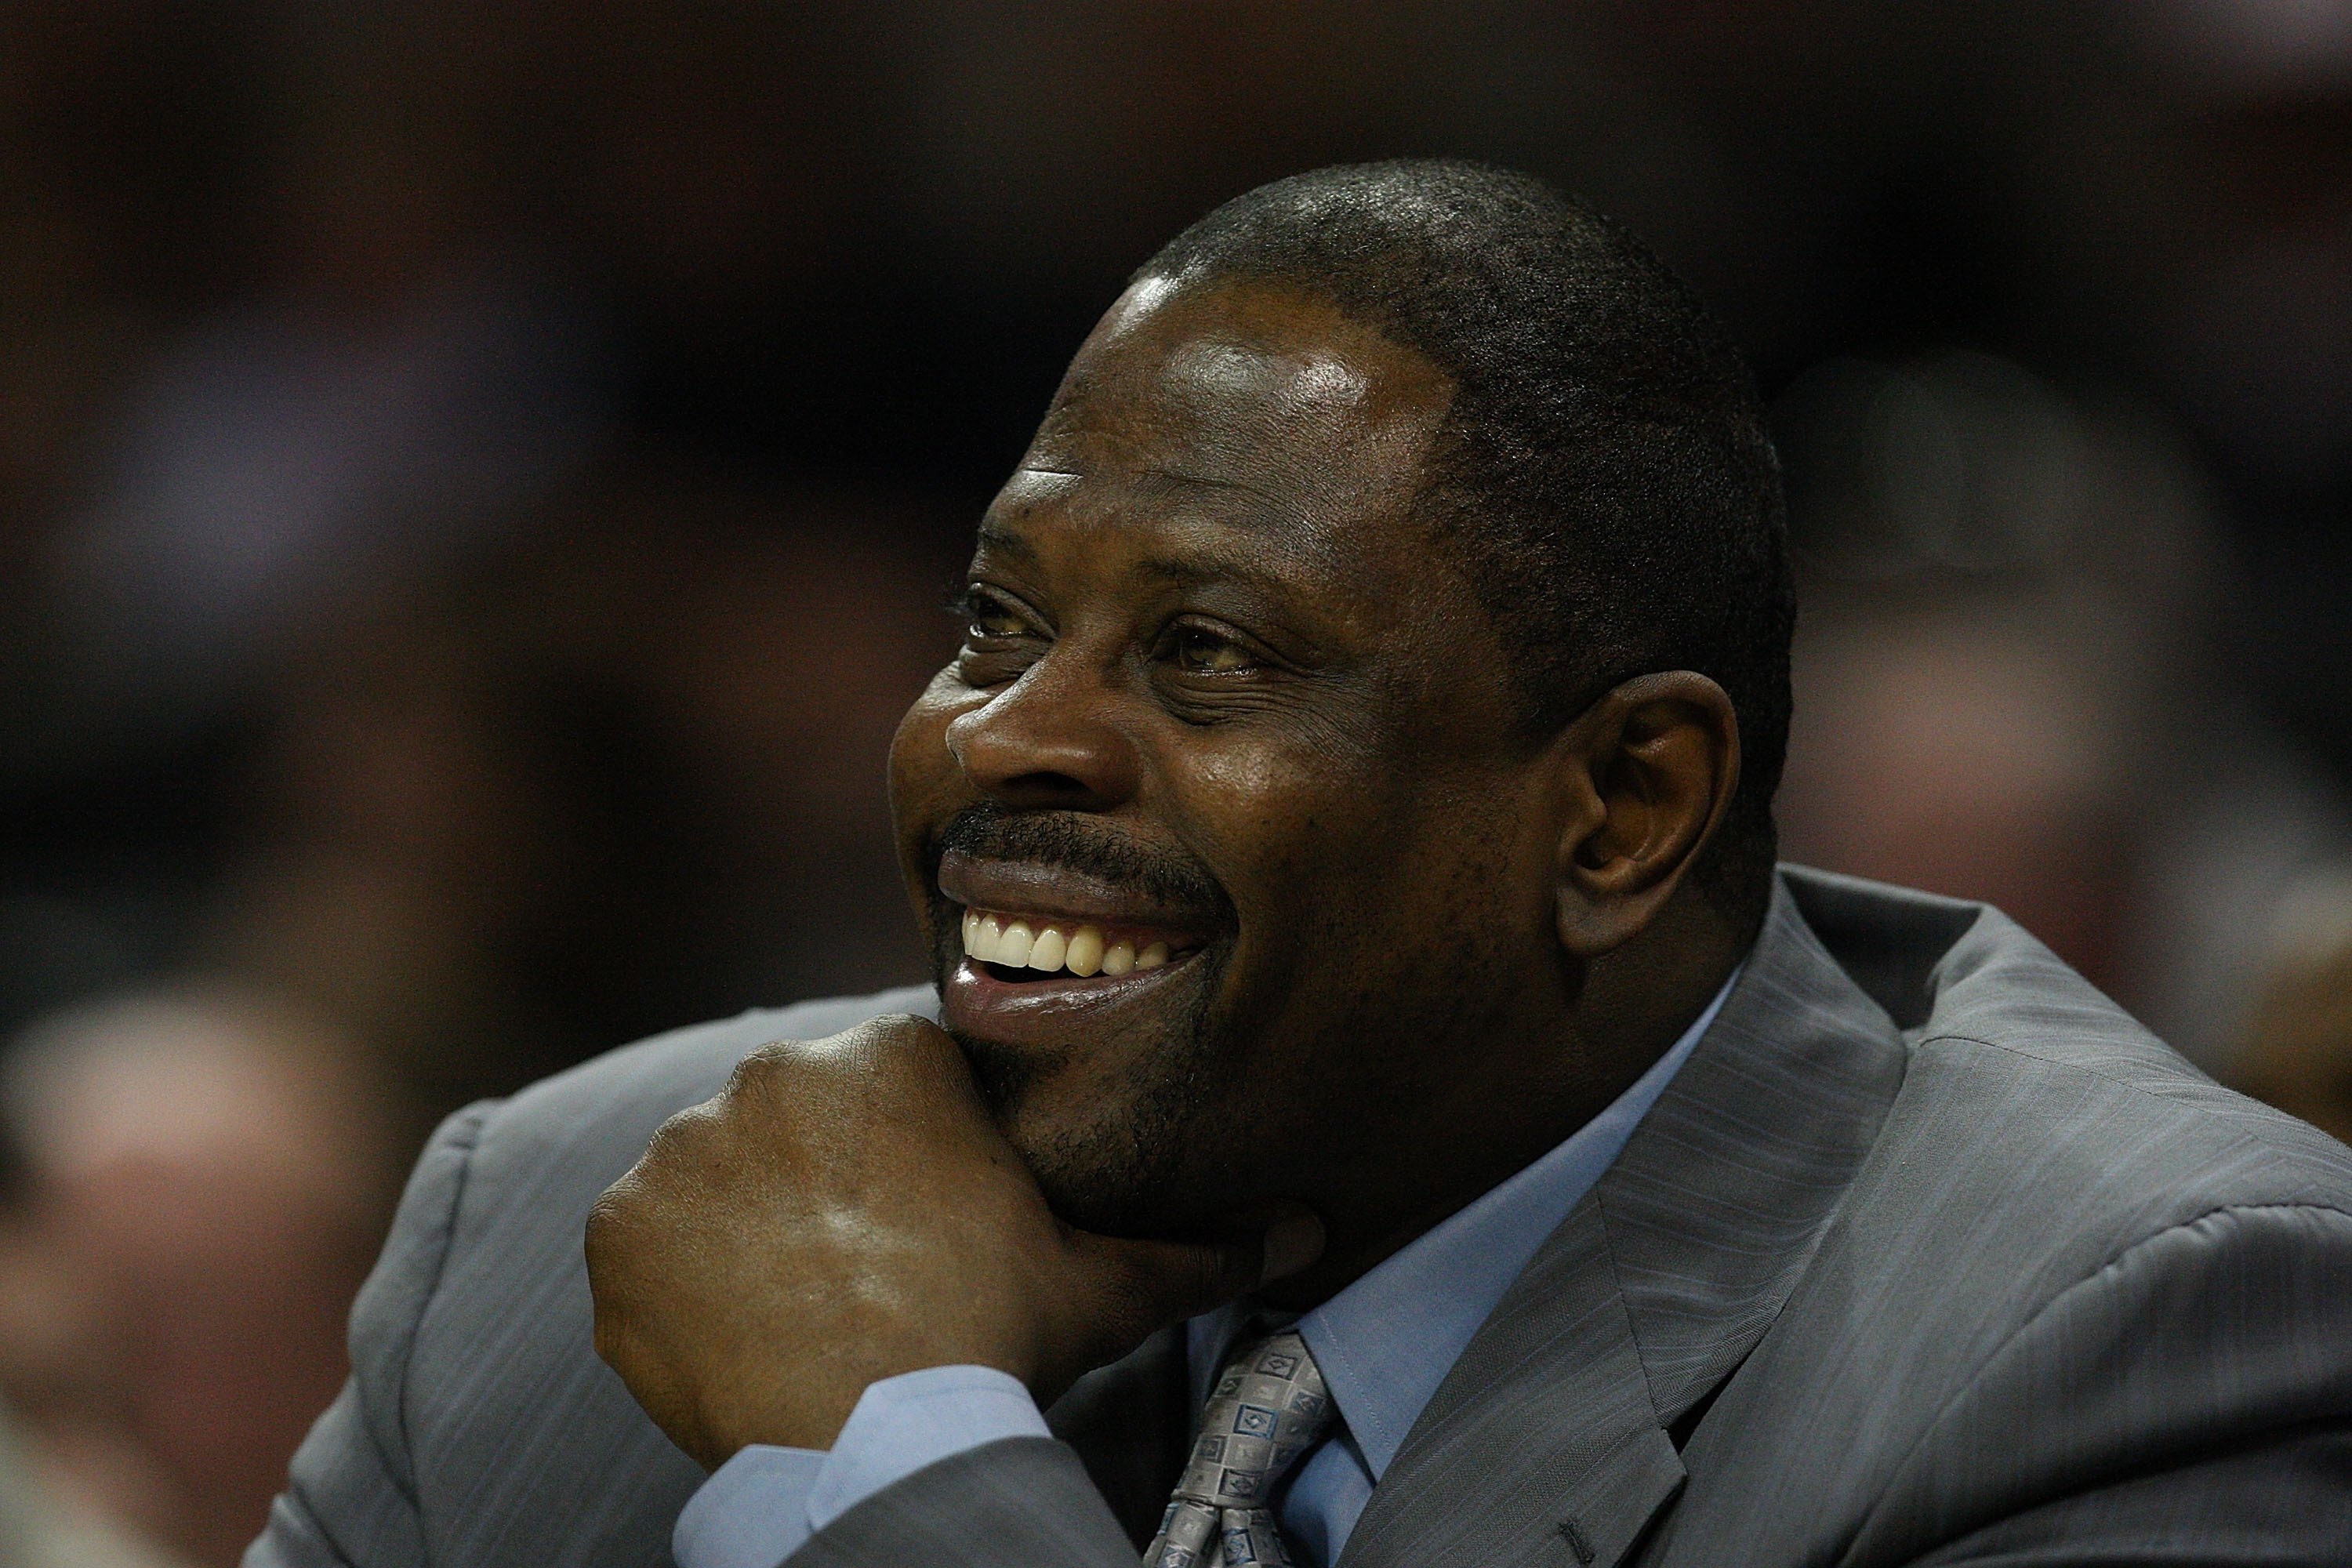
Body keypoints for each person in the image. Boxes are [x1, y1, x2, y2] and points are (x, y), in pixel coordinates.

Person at [246, 162, 2352, 1568]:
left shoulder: (2134, 1339)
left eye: (1205, 652)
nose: (1002, 739)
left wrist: (885, 1457)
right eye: (993, 625)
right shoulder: (561, 1234)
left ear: (1619, 812)